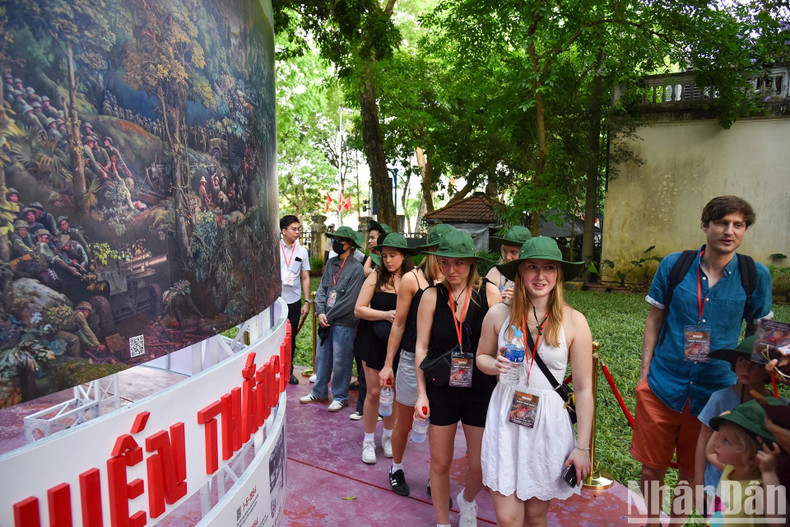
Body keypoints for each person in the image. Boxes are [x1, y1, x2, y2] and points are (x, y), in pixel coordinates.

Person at [632, 195, 773, 524]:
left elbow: (759, 333)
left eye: (738, 225)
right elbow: (655, 319)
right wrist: (644, 373)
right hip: (663, 384)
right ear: (705, 225)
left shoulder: (755, 275)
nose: (729, 231)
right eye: (722, 223)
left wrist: (755, 384)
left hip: (715, 392)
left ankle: (676, 523)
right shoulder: (675, 265)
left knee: (692, 471)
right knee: (651, 468)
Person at [476, 236, 593, 526]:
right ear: (520, 272)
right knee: (508, 518)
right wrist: (494, 365)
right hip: (506, 416)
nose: (541, 276)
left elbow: (583, 389)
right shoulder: (498, 313)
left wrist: (582, 448)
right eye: (532, 267)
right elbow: (481, 357)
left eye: (549, 268)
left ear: (558, 274)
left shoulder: (574, 321)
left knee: (536, 516)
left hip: (548, 423)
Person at [414, 230, 501, 527]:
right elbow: (421, 347)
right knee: (440, 462)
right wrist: (421, 393)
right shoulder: (431, 296)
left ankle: (468, 501)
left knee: (480, 463)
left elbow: (503, 341)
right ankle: (442, 521)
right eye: (445, 263)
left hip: (480, 387)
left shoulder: (489, 293)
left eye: (459, 263)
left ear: (472, 263)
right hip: (442, 388)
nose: (451, 270)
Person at [380, 223, 454, 496]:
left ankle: (437, 477)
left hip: (444, 362)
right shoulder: (413, 279)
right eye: (441, 252)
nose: (447, 260)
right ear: (431, 251)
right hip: (413, 359)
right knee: (405, 422)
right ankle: (396, 467)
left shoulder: (454, 280)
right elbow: (399, 323)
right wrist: (388, 364)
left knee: (440, 426)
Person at [694, 335, 775, 514]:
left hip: (758, 493)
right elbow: (703, 442)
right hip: (717, 487)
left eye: (756, 363)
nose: (746, 367)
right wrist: (699, 486)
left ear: (769, 369)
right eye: (741, 360)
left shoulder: (778, 406)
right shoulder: (720, 398)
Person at [354, 232, 415, 464]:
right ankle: (368, 440)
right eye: (385, 255)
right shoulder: (375, 276)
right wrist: (385, 315)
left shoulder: (412, 278)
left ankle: (388, 436)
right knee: (374, 392)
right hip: (373, 341)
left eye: (393, 255)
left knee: (395, 392)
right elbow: (359, 309)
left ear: (403, 256)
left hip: (400, 344)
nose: (388, 260)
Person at [301, 226, 365, 412]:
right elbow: (322, 289)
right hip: (326, 320)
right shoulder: (330, 264)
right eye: (335, 239)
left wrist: (327, 315)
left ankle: (340, 396)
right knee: (322, 358)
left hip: (344, 322)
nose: (336, 243)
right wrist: (320, 312)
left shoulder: (357, 269)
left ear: (350, 244)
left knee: (341, 360)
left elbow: (350, 301)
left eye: (340, 240)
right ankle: (319, 391)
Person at [707, 400, 783, 525]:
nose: (716, 443)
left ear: (753, 456)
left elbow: (778, 523)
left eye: (726, 440)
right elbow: (710, 453)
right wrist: (720, 429)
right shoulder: (731, 467)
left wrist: (769, 473)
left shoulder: (757, 490)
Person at [279, 215, 311, 385]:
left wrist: (307, 301)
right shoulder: (274, 248)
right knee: (275, 337)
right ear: (284, 231)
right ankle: (275, 370)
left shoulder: (302, 251)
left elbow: (305, 277)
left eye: (299, 229)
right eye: (294, 229)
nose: (297, 232)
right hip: (276, 301)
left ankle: (288, 372)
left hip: (293, 300)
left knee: (290, 339)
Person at [485, 226, 532, 304]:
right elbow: (481, 303)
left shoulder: (534, 278)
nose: (507, 257)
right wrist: (497, 299)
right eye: (505, 251)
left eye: (513, 252)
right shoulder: (495, 273)